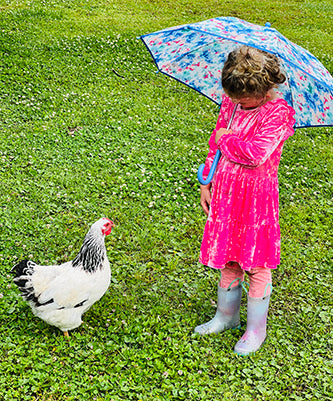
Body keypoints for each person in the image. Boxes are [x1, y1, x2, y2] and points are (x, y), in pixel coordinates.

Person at [194, 45, 296, 355]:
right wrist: (206, 183)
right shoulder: (231, 104)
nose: (238, 102)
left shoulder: (279, 113)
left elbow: (253, 155)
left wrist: (226, 137)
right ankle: (226, 316)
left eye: (244, 97)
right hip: (226, 193)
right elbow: (216, 145)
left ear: (266, 88)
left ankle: (255, 329)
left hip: (256, 200)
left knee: (257, 262)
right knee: (229, 256)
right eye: (233, 96)